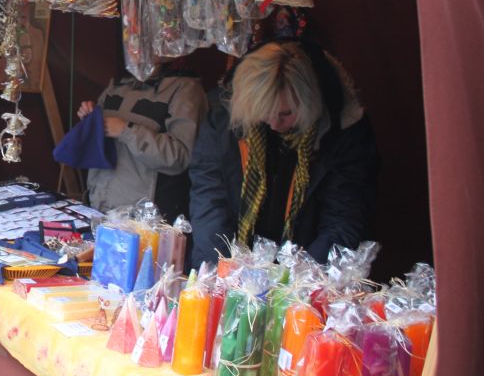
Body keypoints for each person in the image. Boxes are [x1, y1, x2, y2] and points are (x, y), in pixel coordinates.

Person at [188, 39, 378, 267]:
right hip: (235, 263)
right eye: (264, 113)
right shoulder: (225, 119)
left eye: (286, 114)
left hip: (304, 264)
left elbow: (343, 218)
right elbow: (209, 199)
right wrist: (216, 267)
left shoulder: (343, 133)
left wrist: (300, 279)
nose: (274, 124)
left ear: (310, 103)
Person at [77, 59, 207, 220]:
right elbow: (94, 145)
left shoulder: (185, 88)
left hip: (143, 218)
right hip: (100, 205)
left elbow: (181, 157)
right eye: (130, 44)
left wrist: (126, 131)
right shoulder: (118, 84)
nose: (135, 48)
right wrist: (90, 120)